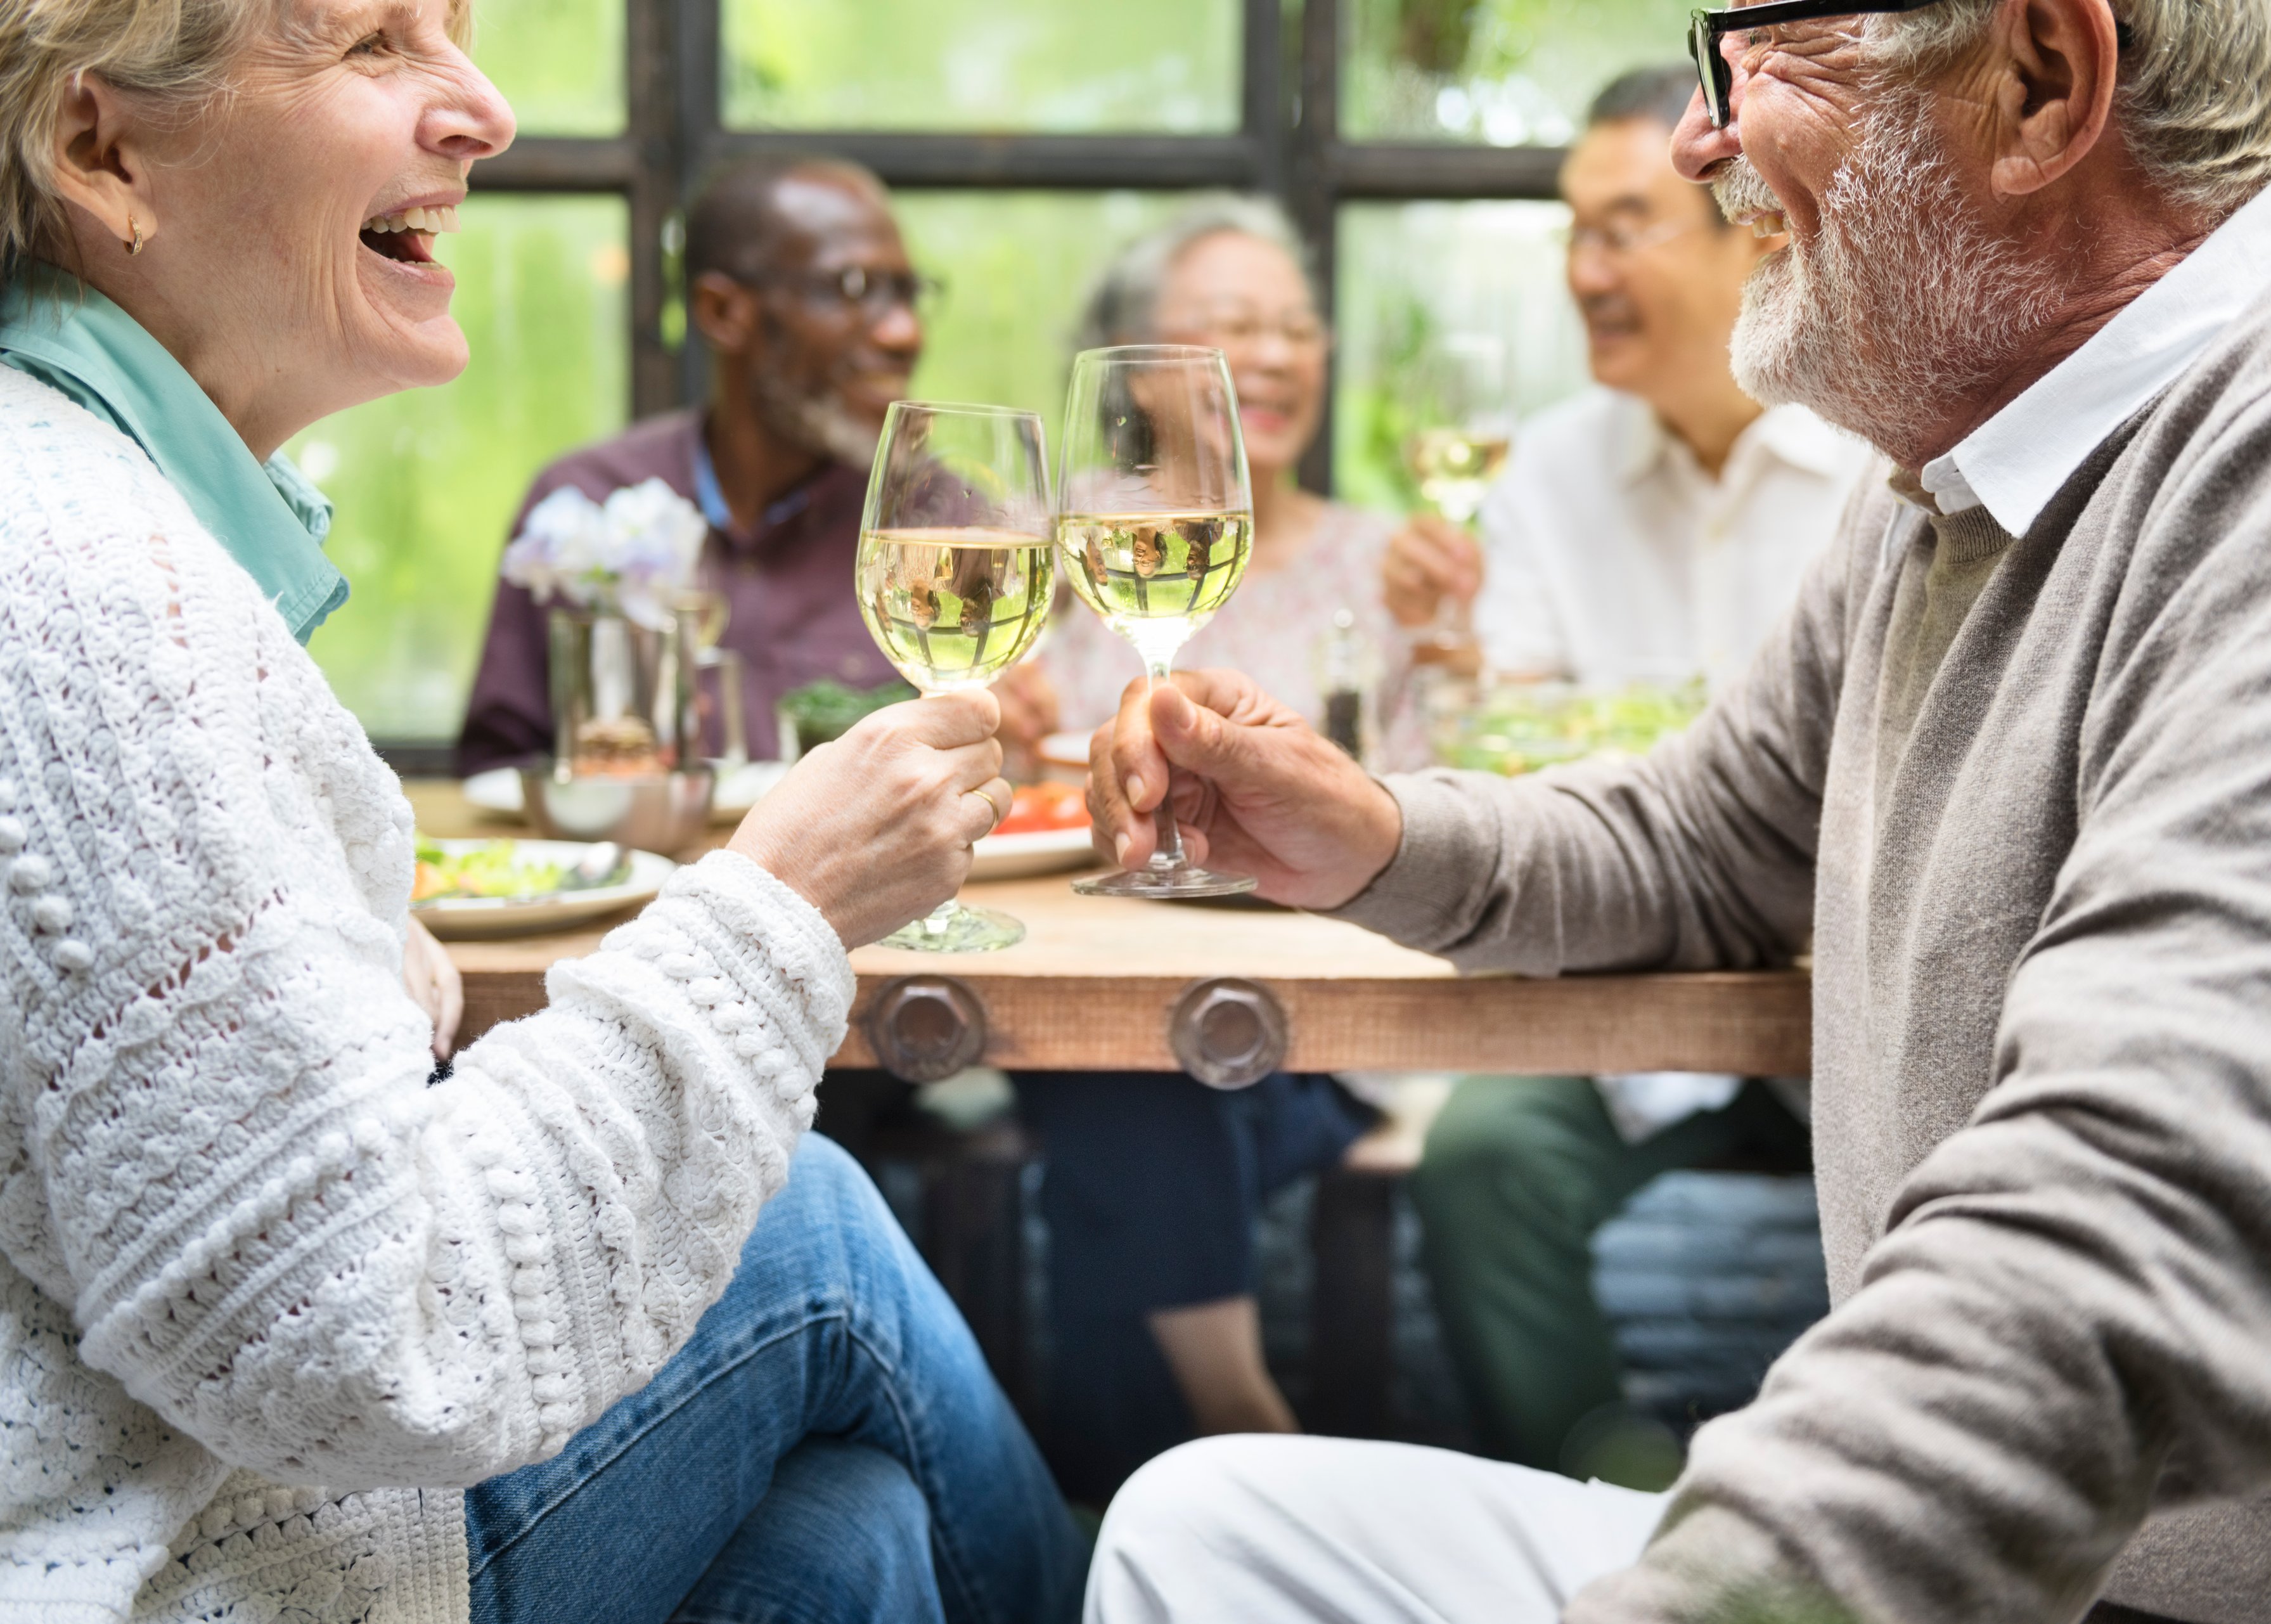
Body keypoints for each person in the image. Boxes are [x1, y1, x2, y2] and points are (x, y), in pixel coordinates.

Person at [1079, 0, 2271, 1617]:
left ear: (2037, 80)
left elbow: (2152, 1205)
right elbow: (1702, 841)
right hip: (1978, 1566)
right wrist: (1369, 833)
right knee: (1207, 1523)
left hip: (2146, 1591)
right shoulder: (1962, 466)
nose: (1694, 137)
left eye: (1763, 48)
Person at [0, 3, 1083, 1621]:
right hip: (159, 1562)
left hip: (162, 1475)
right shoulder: (92, 587)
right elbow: (370, 1342)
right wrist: (774, 903)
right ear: (103, 149)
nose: (487, 112)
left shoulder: (83, 505)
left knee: (853, 1540)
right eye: (375, 43)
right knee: (820, 1239)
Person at [1380, 64, 1874, 1485]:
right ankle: (1605, 1490)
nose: (1586, 272)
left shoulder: (1878, 461)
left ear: (1752, 229)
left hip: (1848, 985)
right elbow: (1518, 748)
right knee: (1485, 1151)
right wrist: (1446, 657)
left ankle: (1850, 1516)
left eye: (1623, 229)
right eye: (1572, 234)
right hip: (1642, 970)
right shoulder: (1543, 472)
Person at [998, 197, 1422, 1505]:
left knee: (1128, 1062)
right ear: (1138, 355)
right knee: (1131, 1036)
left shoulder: (1388, 565)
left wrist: (1456, 659)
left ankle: (1108, 1504)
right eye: (1238, 325)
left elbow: (1432, 808)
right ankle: (1243, 1447)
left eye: (1298, 327)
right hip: (1091, 983)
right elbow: (1000, 774)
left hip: (1319, 1018)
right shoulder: (1053, 544)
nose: (1283, 355)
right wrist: (989, 723)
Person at [456, 156, 927, 772]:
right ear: (723, 313)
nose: (904, 332)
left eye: (910, 294)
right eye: (854, 288)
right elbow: (499, 774)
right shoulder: (582, 505)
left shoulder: (943, 525)